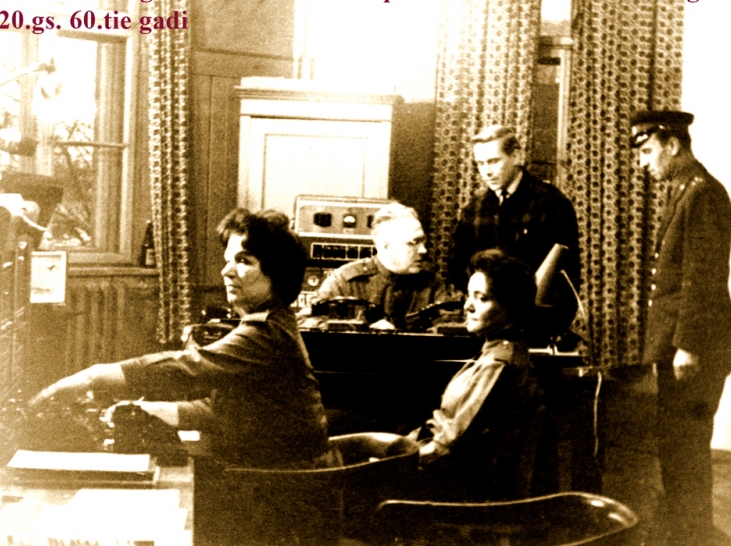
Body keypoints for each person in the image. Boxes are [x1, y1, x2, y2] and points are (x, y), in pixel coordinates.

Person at [31, 208, 336, 470]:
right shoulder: (272, 322)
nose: (226, 271)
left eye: (244, 261)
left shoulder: (266, 333)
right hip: (280, 471)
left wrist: (93, 376)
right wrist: (152, 410)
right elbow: (229, 411)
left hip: (289, 483)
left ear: (277, 272)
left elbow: (186, 366)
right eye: (228, 260)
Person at [631, 110, 731, 546]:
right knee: (676, 447)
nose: (642, 163)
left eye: (647, 151)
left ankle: (692, 535)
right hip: (680, 345)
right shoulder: (684, 189)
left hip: (695, 349)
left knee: (687, 449)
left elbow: (702, 277)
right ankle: (684, 531)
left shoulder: (702, 194)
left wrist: (688, 346)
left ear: (673, 145)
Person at [408, 249, 548, 502]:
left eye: (481, 298)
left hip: (459, 490)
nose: (467, 306)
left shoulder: (499, 364)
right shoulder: (493, 352)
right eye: (469, 295)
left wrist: (396, 461)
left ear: (510, 307)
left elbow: (451, 445)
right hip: (445, 470)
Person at [448, 125, 581, 341]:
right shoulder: (473, 209)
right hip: (486, 329)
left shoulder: (551, 203)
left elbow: (565, 277)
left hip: (535, 327)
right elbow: (458, 269)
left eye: (494, 161)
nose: (486, 172)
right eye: (480, 163)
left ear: (516, 156)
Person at [311, 202, 448, 331]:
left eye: (423, 241)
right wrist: (362, 331)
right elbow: (307, 321)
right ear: (385, 245)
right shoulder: (345, 281)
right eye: (414, 243)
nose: (423, 250)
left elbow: (450, 327)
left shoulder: (431, 286)